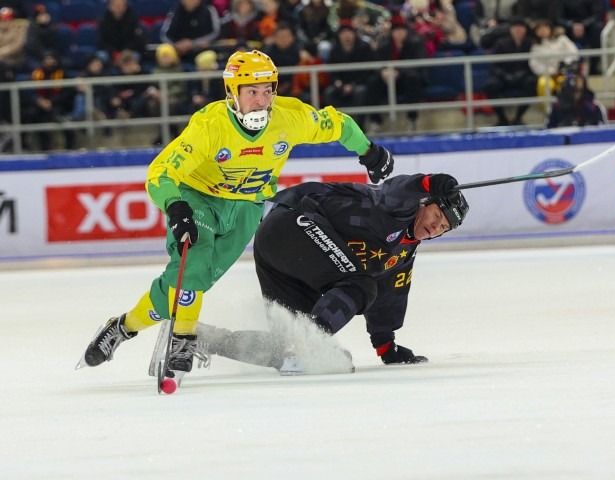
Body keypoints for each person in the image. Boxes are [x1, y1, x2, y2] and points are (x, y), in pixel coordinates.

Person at [76, 50, 396, 384]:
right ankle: (182, 340)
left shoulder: (290, 117)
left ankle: (122, 327)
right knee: (194, 268)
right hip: (197, 199)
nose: (261, 100)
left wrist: (369, 151)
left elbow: (337, 125)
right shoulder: (210, 126)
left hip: (246, 208)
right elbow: (160, 173)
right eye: (252, 92)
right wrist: (176, 207)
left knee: (185, 288)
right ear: (232, 92)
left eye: (267, 90)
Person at [195, 172, 469, 372]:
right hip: (292, 224)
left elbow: (391, 295)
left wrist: (386, 346)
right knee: (361, 286)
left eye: (443, 227)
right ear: (424, 203)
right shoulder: (398, 208)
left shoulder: (404, 252)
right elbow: (396, 190)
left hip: (282, 256)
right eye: (436, 217)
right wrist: (429, 183)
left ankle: (197, 337)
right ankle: (308, 345)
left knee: (284, 347)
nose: (436, 227)